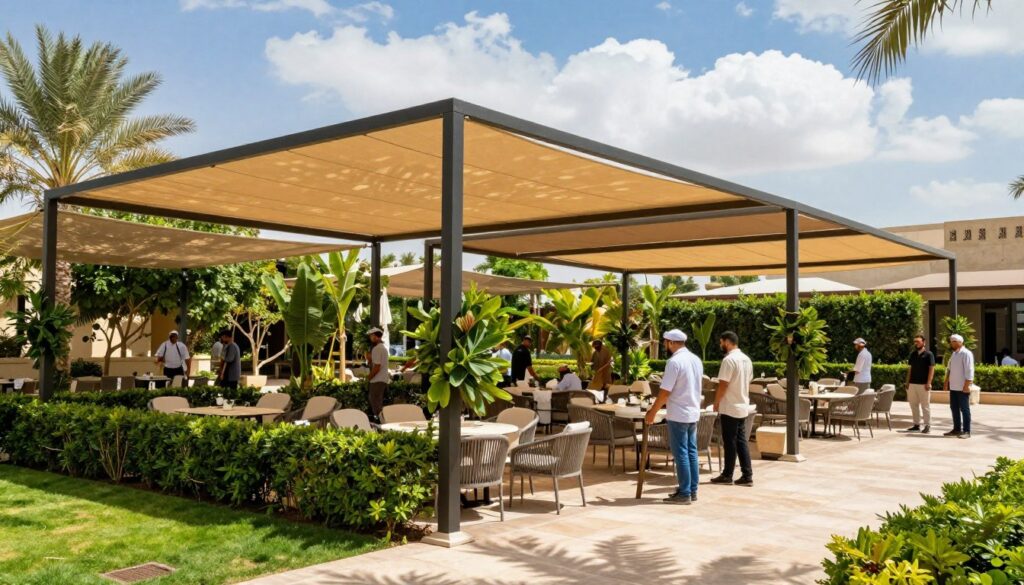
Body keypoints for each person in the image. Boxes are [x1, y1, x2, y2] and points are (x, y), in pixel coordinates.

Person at [645, 329, 703, 505]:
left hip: (678, 413)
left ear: (671, 342)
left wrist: (652, 411)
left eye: (665, 342)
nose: (664, 345)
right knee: (691, 452)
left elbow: (665, 391)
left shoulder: (674, 362)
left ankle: (685, 492)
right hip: (693, 412)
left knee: (681, 454)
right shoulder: (695, 359)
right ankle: (691, 490)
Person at [710, 331, 753, 487]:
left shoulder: (729, 360)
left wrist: (716, 402)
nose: (721, 345)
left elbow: (723, 384)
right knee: (741, 441)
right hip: (742, 405)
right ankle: (747, 475)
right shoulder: (747, 359)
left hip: (730, 406)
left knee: (729, 442)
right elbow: (748, 380)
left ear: (727, 342)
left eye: (721, 342)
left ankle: (727, 474)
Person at [944, 334, 975, 439]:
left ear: (960, 342)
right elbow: (949, 369)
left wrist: (967, 385)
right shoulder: (954, 354)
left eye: (954, 341)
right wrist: (946, 383)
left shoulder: (966, 353)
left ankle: (967, 431)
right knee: (954, 408)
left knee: (965, 409)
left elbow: (969, 370)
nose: (952, 343)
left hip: (962, 388)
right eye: (951, 341)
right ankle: (956, 429)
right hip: (953, 387)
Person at [902, 334, 935, 434]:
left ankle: (927, 425)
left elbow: (931, 369)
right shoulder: (913, 354)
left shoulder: (929, 354)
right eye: (915, 341)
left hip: (923, 384)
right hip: (912, 384)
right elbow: (910, 369)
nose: (916, 343)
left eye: (918, 341)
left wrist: (929, 383)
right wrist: (907, 382)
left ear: (924, 342)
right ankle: (916, 425)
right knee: (913, 405)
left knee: (925, 406)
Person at [367, 327, 390, 418]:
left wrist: (369, 377)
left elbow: (377, 366)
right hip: (382, 379)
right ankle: (381, 419)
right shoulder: (383, 348)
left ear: (375, 336)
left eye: (371, 336)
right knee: (377, 401)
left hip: (377, 380)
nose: (370, 338)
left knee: (375, 402)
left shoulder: (377, 349)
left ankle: (380, 420)